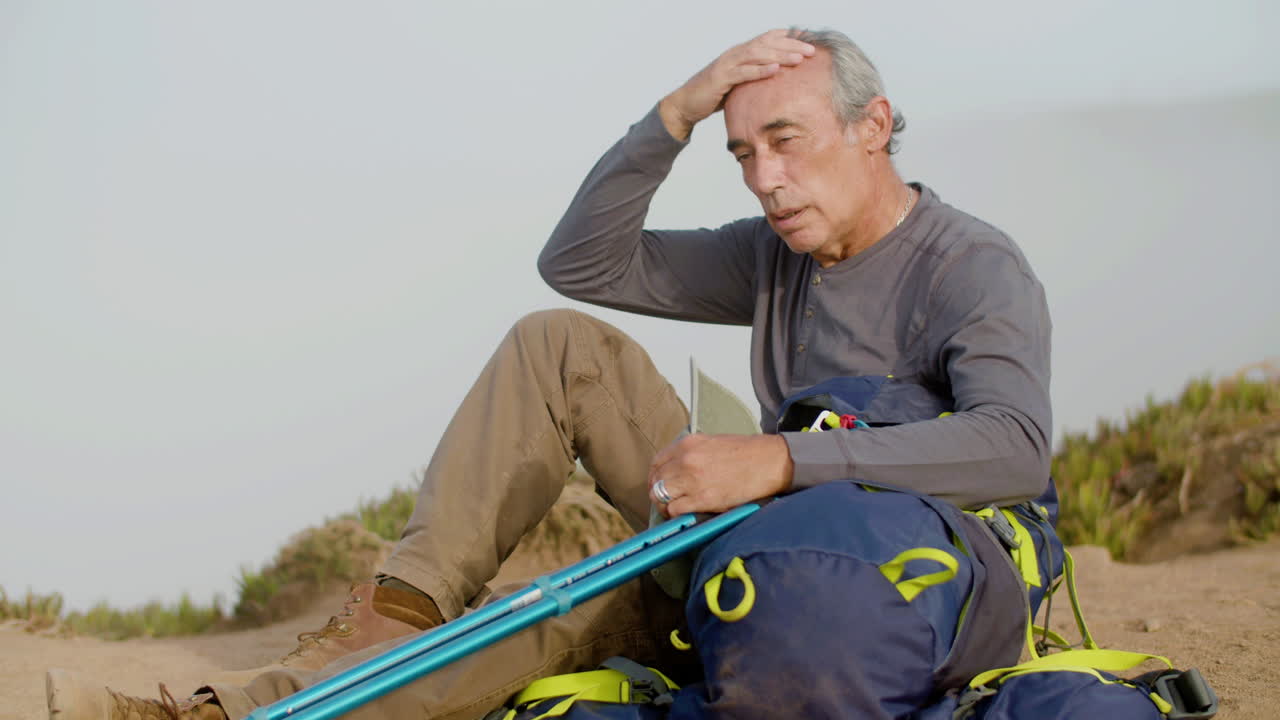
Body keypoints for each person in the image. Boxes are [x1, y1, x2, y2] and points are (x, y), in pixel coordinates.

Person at [47, 27, 1051, 720]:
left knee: (560, 607)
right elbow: (583, 264)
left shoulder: (969, 266)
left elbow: (1013, 446)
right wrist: (674, 111)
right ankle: (401, 606)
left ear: (872, 126)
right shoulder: (774, 251)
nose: (763, 177)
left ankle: (233, 714)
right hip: (762, 525)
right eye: (742, 152)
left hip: (886, 577)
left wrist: (778, 465)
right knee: (554, 339)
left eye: (783, 142)